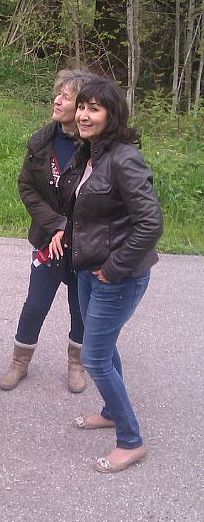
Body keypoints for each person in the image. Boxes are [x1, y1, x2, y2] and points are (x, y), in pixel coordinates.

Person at [51, 76, 163, 473]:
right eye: (82, 106)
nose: (83, 114)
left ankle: (131, 439)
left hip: (117, 276)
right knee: (105, 347)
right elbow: (85, 209)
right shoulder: (89, 153)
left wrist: (113, 269)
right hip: (87, 270)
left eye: (94, 108)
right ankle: (111, 411)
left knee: (95, 357)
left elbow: (150, 223)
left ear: (112, 115)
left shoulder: (124, 158)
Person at [0, 69, 92, 393]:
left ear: (81, 105)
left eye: (65, 96)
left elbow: (100, 196)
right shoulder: (41, 142)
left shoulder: (96, 148)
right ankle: (19, 363)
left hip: (84, 244)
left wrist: (69, 230)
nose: (56, 100)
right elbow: (26, 185)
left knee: (79, 307)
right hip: (47, 240)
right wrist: (55, 224)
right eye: (58, 94)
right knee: (36, 303)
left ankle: (76, 364)